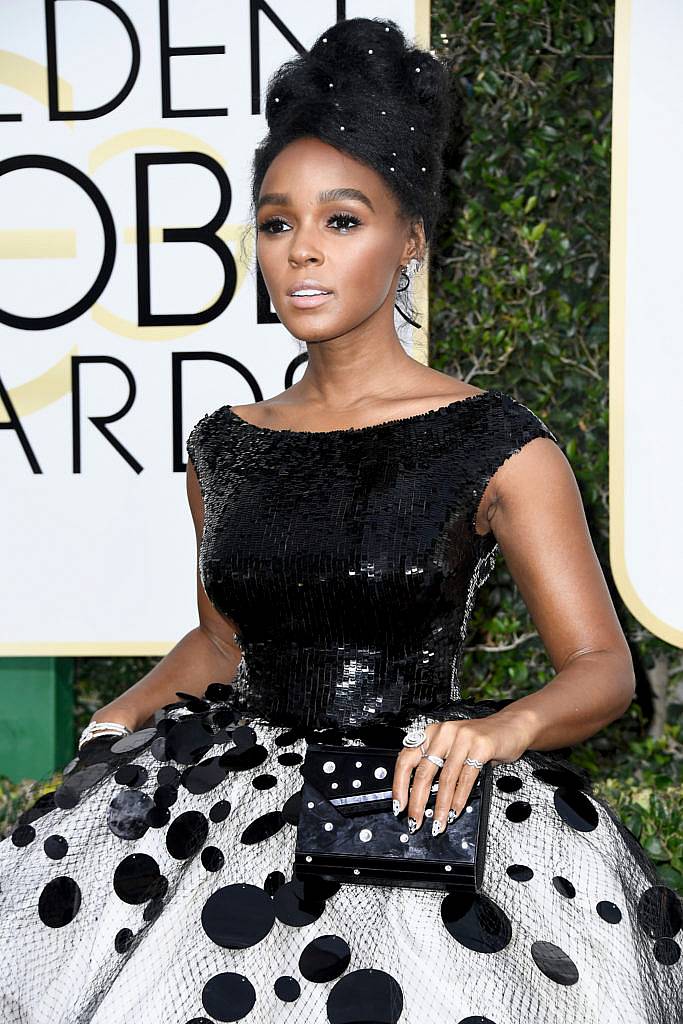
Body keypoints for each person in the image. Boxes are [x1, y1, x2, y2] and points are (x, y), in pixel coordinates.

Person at [1, 16, 681, 1024]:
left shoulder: (495, 439)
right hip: (221, 808)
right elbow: (222, 639)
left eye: (341, 220)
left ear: (409, 239)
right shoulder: (222, 441)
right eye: (277, 223)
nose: (301, 253)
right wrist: (117, 718)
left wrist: (497, 733)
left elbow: (598, 667)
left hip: (411, 806)